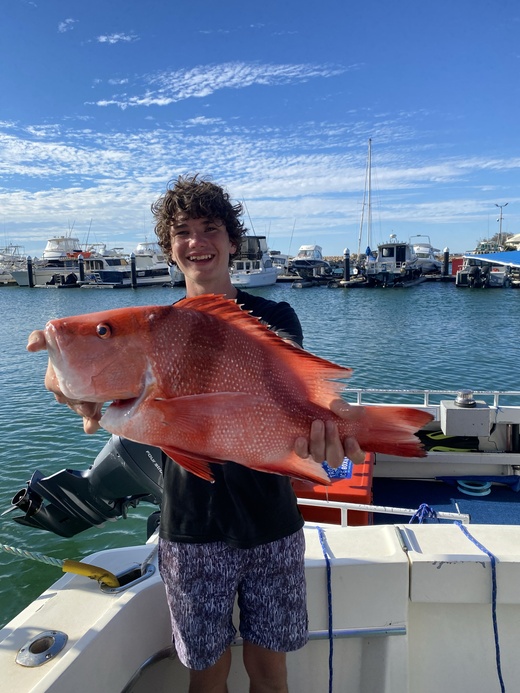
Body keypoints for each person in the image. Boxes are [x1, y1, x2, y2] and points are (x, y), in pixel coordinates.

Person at [29, 175, 364, 693]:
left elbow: (297, 389)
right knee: (205, 676)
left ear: (233, 241)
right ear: (169, 248)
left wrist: (338, 419)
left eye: (211, 228)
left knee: (271, 674)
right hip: (189, 531)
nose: (197, 241)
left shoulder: (274, 315)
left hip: (271, 522)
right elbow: (104, 386)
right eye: (183, 231)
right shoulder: (151, 328)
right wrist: (64, 375)